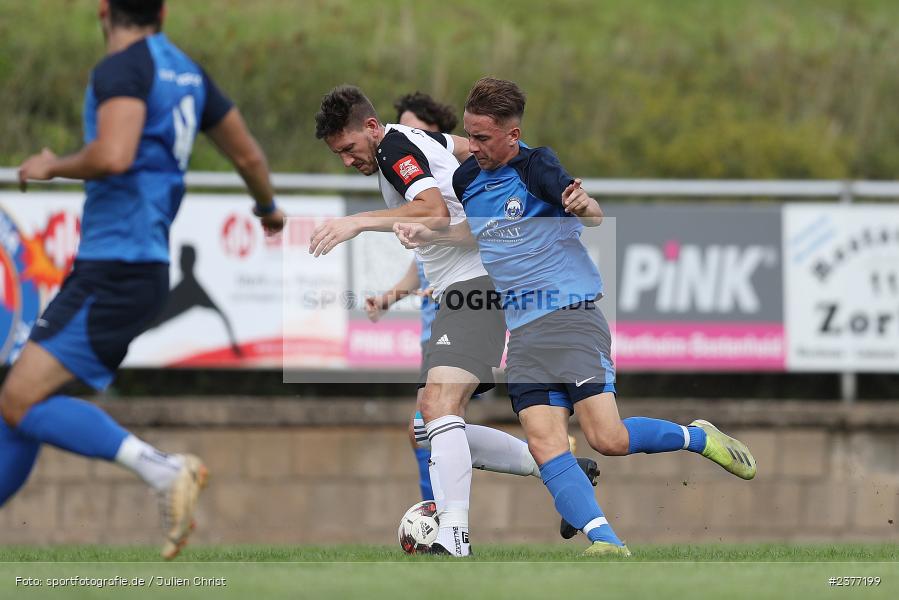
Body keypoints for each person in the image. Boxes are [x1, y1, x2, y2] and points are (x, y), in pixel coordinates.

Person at [394, 77, 757, 557]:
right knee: (546, 445)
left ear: (512, 133)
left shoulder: (537, 165)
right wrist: (430, 237)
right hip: (521, 333)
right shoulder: (467, 180)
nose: (473, 147)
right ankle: (607, 542)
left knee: (607, 437)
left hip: (570, 316)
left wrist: (586, 206)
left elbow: (587, 210)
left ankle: (696, 436)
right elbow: (474, 235)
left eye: (482, 138)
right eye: (469, 134)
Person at [4, 0, 285, 559]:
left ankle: (162, 469)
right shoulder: (189, 73)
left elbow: (113, 155)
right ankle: (160, 469)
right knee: (17, 401)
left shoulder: (122, 68)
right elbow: (249, 155)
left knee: (19, 398)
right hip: (136, 267)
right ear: (162, 12)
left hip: (117, 267)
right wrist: (267, 209)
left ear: (103, 11)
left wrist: (50, 165)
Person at [313, 86, 588, 556]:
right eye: (338, 153)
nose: (347, 161)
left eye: (349, 149)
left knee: (438, 405)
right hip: (464, 288)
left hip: (477, 284)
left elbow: (434, 210)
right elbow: (461, 147)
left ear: (372, 129)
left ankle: (453, 536)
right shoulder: (416, 139)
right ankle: (561, 468)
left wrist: (357, 221)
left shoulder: (395, 148)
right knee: (426, 423)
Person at [363, 91, 457, 502]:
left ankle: (438, 515)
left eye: (414, 130)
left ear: (434, 137)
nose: (403, 139)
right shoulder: (406, 188)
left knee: (429, 424)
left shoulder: (447, 186)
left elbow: (467, 233)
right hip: (430, 328)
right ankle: (550, 458)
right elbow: (417, 268)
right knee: (428, 427)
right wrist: (387, 299)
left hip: (458, 314)